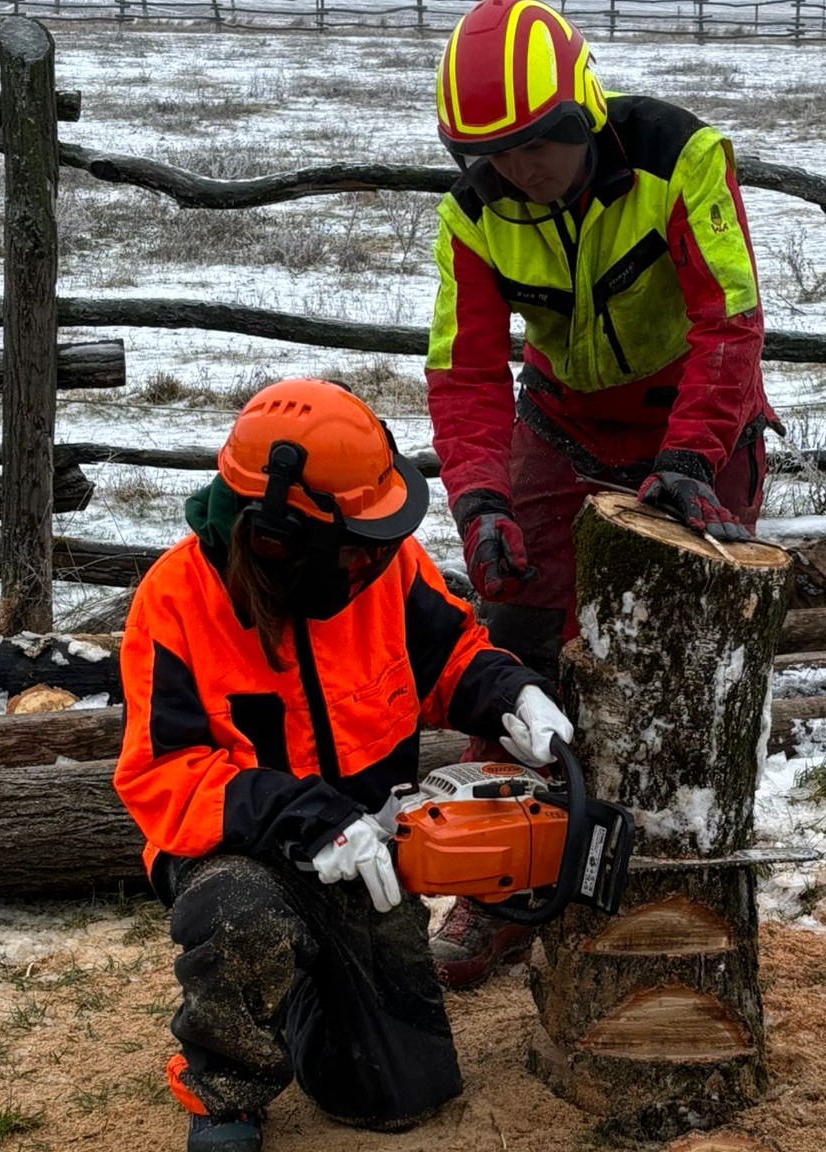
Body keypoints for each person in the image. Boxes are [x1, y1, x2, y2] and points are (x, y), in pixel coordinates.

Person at [113, 378, 573, 1152]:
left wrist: (513, 694)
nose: (375, 558)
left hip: (367, 857)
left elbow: (448, 658)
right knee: (239, 916)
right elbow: (164, 775)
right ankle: (225, 1094)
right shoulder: (175, 604)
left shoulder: (382, 571)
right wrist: (306, 819)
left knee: (399, 1097)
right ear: (277, 536)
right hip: (240, 855)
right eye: (357, 545)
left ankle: (302, 994)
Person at [424, 0, 777, 986]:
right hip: (562, 420)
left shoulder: (683, 158)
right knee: (514, 640)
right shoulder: (475, 211)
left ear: (579, 115)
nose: (516, 170)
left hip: (694, 416)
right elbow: (465, 374)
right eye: (488, 152)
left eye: (534, 145)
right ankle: (498, 885)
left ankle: (673, 886)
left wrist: (695, 456)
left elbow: (729, 319)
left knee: (677, 652)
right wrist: (481, 498)